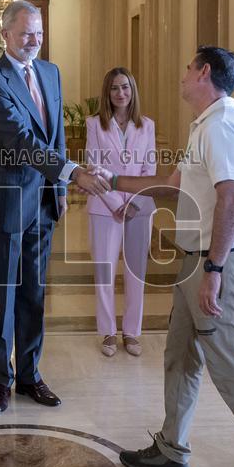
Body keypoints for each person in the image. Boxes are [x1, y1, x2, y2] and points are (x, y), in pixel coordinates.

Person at [101, 46, 234, 467]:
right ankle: (171, 450)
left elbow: (233, 198)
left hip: (217, 262)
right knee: (180, 356)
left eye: (189, 67)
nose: (183, 73)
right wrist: (110, 181)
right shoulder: (205, 126)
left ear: (204, 72)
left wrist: (214, 268)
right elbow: (173, 186)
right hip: (197, 261)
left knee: (232, 365)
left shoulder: (221, 127)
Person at [0, 0, 110, 414]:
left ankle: (30, 376)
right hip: (5, 203)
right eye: (25, 34)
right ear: (5, 36)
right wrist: (74, 172)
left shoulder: (51, 72)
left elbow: (56, 137)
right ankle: (1, 381)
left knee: (34, 294)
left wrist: (61, 188)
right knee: (2, 296)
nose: (34, 40)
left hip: (43, 203)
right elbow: (20, 141)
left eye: (39, 33)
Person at [85, 67, 156, 357]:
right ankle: (108, 332)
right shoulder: (95, 124)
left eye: (125, 87)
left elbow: (149, 169)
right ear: (107, 92)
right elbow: (94, 167)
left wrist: (134, 203)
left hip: (139, 207)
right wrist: (116, 203)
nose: (120, 93)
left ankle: (132, 332)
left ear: (132, 90)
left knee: (135, 272)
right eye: (114, 88)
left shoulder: (147, 125)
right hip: (104, 208)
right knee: (105, 271)